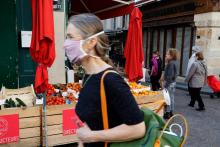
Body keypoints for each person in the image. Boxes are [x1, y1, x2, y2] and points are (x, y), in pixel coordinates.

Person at [63, 14, 145, 147]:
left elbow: (138, 128)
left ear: (91, 42)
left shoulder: (111, 80)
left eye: (70, 37)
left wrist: (92, 136)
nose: (66, 44)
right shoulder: (88, 75)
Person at [161, 48, 178, 119]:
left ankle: (167, 112)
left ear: (171, 56)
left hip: (169, 84)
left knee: (167, 98)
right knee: (171, 98)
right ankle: (171, 111)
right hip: (173, 83)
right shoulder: (173, 63)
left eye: (167, 54)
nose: (166, 55)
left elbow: (169, 76)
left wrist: (165, 85)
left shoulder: (171, 63)